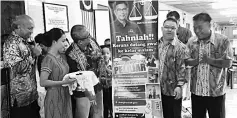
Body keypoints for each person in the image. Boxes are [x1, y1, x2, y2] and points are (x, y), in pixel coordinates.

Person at [185, 13, 233, 118]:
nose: (197, 31)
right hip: (196, 92)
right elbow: (186, 61)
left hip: (216, 93)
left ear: (209, 25)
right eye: (194, 28)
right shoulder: (191, 41)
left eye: (200, 27)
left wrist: (209, 60)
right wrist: (196, 61)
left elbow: (228, 63)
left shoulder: (222, 41)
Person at [2, 14, 41, 118]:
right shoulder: (11, 43)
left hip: (31, 93)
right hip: (20, 96)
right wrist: (33, 54)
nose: (32, 31)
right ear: (19, 27)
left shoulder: (25, 42)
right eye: (29, 28)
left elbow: (30, 64)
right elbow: (15, 68)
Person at [65, 25, 103, 118]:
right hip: (83, 90)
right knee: (83, 115)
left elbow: (100, 56)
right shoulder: (70, 54)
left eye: (89, 34)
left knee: (98, 113)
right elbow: (77, 75)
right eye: (87, 36)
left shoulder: (92, 42)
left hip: (97, 84)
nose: (90, 37)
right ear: (80, 41)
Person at [39, 28, 76, 118]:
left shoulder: (61, 56)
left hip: (65, 95)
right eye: (63, 41)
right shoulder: (48, 59)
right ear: (54, 42)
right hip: (54, 96)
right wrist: (64, 82)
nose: (65, 44)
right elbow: (43, 82)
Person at [158, 18, 189, 118]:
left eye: (172, 28)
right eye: (167, 27)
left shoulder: (181, 48)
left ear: (176, 30)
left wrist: (180, 86)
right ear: (162, 28)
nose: (169, 30)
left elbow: (183, 68)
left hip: (172, 90)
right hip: (155, 89)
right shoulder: (155, 45)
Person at [99, 44, 112, 118]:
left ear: (110, 54)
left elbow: (112, 72)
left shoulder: (112, 64)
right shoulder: (99, 65)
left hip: (111, 88)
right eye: (103, 54)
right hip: (103, 88)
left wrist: (105, 68)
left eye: (107, 53)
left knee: (111, 104)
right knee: (105, 105)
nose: (105, 55)